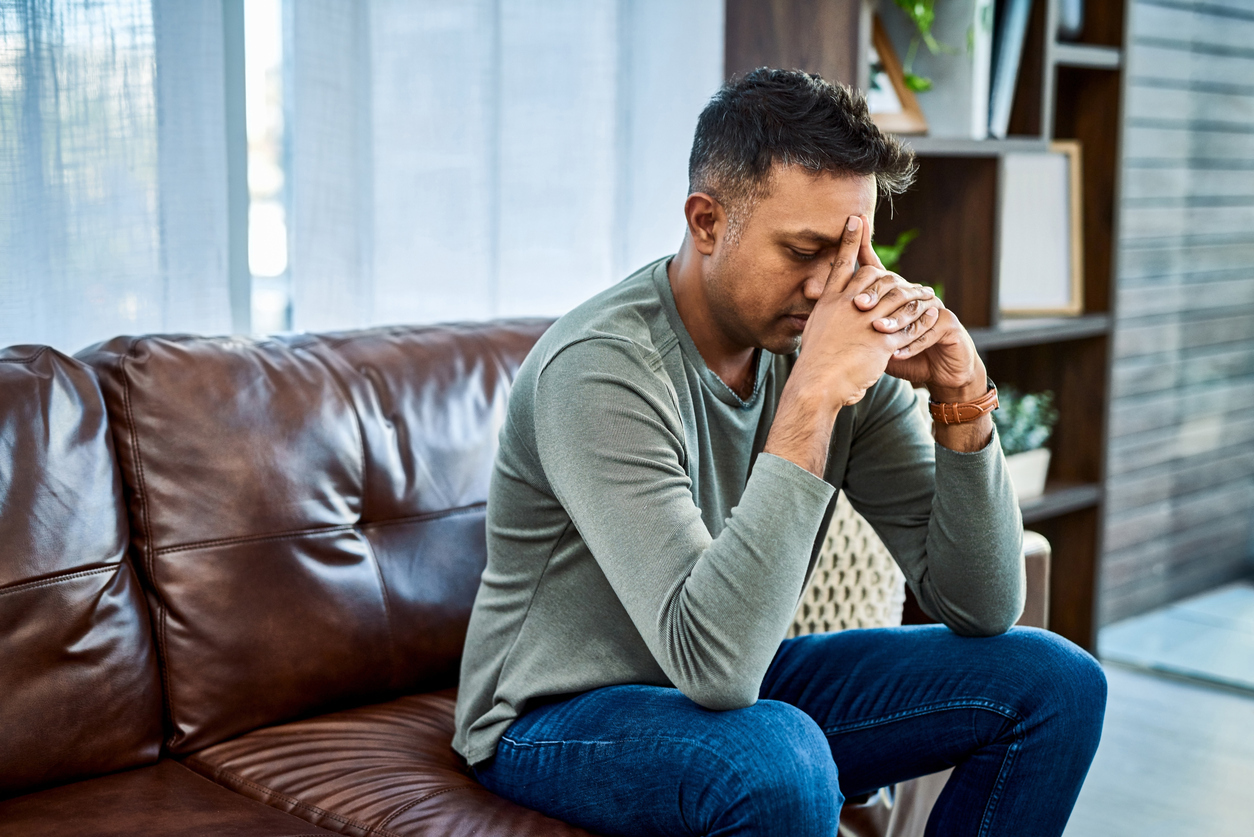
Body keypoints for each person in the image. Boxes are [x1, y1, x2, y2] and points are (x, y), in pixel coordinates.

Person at [452, 68, 1106, 837]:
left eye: (852, 251)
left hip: (730, 673)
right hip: (555, 715)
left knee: (1055, 682)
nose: (833, 287)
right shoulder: (602, 367)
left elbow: (984, 603)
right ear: (706, 221)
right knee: (775, 755)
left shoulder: (824, 343)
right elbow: (716, 666)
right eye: (804, 249)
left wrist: (961, 398)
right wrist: (811, 400)